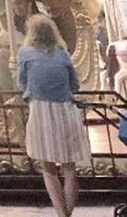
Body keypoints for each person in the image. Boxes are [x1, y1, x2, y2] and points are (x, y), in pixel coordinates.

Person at [18, 14, 89, 217]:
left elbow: (22, 81)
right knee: (69, 167)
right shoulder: (62, 53)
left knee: (48, 168)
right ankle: (68, 212)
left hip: (41, 110)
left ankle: (61, 213)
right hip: (65, 108)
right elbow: (74, 83)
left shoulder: (25, 53)